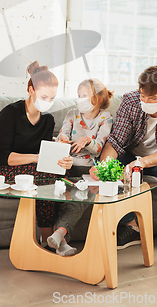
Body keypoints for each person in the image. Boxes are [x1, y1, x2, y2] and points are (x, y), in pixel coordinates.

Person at [90, 65, 157, 252]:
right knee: (113, 165)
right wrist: (103, 166)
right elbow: (116, 141)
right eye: (143, 96)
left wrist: (141, 163)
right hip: (131, 154)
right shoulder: (130, 101)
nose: (146, 101)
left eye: (153, 98)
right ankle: (131, 226)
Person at [0, 61, 73, 246]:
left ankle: (51, 240)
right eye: (44, 96)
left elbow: (42, 154)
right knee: (48, 178)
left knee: (59, 174)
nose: (48, 103)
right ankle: (49, 240)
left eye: (52, 98)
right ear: (31, 90)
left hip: (24, 168)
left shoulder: (48, 120)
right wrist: (38, 158)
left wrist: (61, 160)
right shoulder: (10, 113)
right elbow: (2, 157)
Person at [47, 78, 114, 256]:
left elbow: (99, 147)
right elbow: (63, 134)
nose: (80, 99)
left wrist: (87, 140)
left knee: (78, 200)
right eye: (79, 95)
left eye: (85, 95)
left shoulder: (105, 118)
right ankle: (60, 239)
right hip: (66, 165)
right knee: (58, 195)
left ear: (98, 98)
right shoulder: (72, 114)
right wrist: (61, 138)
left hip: (87, 170)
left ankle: (59, 236)